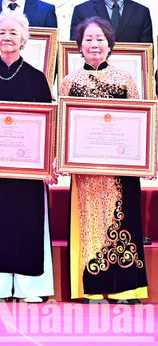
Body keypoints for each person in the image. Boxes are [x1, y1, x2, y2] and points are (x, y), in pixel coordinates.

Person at [0, 10, 55, 303]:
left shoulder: (37, 78)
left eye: (13, 33)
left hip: (26, 170)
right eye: (1, 32)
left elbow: (49, 124)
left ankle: (31, 289)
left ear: (24, 39)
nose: (7, 37)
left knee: (26, 222)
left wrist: (47, 163)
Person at [59, 17, 148, 303]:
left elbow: (139, 123)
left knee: (125, 224)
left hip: (120, 170)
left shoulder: (125, 79)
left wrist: (146, 160)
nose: (94, 44)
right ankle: (91, 289)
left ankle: (127, 289)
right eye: (88, 39)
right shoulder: (70, 82)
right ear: (79, 46)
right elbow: (61, 127)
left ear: (109, 45)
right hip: (84, 170)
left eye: (99, 39)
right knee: (88, 224)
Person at [69, 0, 154, 246]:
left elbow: (147, 57)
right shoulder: (82, 10)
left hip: (122, 110)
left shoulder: (141, 12)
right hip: (88, 112)